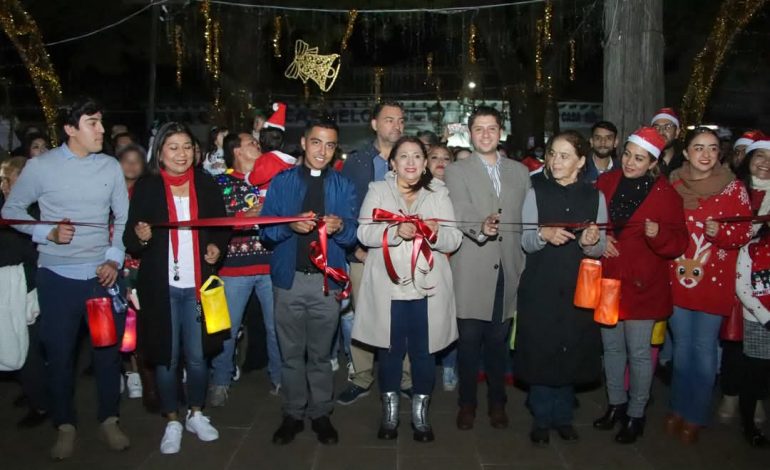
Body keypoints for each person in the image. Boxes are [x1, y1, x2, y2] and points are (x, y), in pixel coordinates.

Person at [2, 97, 130, 460]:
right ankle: (65, 425)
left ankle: (109, 418)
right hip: (56, 279)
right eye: (93, 123)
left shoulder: (109, 167)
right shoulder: (41, 168)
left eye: (102, 122)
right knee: (59, 356)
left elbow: (121, 219)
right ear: (70, 129)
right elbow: (12, 211)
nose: (102, 130)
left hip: (100, 279)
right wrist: (47, 233)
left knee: (106, 353)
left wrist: (113, 260)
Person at [123, 122, 230, 455]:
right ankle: (172, 419)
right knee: (166, 358)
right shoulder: (148, 187)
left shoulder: (206, 183)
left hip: (199, 291)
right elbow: (130, 238)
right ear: (160, 153)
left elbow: (221, 226)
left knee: (198, 357)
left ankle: (197, 413)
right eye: (173, 147)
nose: (181, 154)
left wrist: (216, 247)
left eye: (187, 147)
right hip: (162, 290)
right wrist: (139, 237)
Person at [354, 136, 462, 442]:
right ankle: (389, 413)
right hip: (388, 288)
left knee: (424, 354)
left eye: (417, 156)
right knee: (389, 353)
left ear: (426, 163)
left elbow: (454, 239)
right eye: (404, 156)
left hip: (428, 288)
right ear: (393, 162)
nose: (411, 162)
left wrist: (433, 234)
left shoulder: (439, 193)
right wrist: (393, 231)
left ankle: (420, 413)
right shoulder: (377, 190)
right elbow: (363, 231)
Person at [261, 119, 358, 446]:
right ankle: (292, 413)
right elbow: (266, 233)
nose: (323, 151)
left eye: (330, 145)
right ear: (303, 143)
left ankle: (320, 414)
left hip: (326, 283)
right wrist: (289, 227)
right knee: (290, 354)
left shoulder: (343, 186)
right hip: (289, 281)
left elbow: (353, 236)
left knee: (320, 355)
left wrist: (340, 228)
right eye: (317, 143)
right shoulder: (282, 183)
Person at [594, 127, 689, 444]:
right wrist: (601, 238)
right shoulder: (606, 183)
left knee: (638, 352)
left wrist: (657, 233)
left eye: (639, 158)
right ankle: (616, 405)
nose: (630, 162)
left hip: (642, 285)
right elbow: (590, 221)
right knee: (611, 349)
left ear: (652, 162)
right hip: (609, 280)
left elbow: (678, 242)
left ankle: (636, 413)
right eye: (627, 155)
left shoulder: (666, 195)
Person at [515, 130, 606, 446]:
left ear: (581, 161)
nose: (555, 160)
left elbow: (600, 247)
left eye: (564, 155)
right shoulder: (534, 190)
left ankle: (563, 416)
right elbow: (525, 240)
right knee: (542, 349)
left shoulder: (595, 196)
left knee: (573, 348)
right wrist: (543, 235)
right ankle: (541, 418)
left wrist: (591, 242)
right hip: (541, 283)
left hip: (578, 285)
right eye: (552, 153)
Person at [444, 105, 531, 431]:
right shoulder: (458, 170)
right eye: (478, 129)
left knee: (498, 341)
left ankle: (498, 403)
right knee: (468, 342)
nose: (485, 134)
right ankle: (467, 403)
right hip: (472, 269)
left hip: (508, 268)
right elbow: (460, 208)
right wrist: (481, 226)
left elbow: (527, 216)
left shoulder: (519, 171)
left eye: (491, 128)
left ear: (501, 131)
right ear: (469, 132)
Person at [666, 127, 753, 444]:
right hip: (676, 279)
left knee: (703, 352)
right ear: (686, 152)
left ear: (720, 153)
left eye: (712, 148)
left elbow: (743, 233)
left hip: (713, 283)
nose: (705, 154)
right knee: (681, 349)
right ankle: (677, 406)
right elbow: (663, 225)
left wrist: (721, 233)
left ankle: (696, 415)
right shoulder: (672, 184)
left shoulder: (734, 189)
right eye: (698, 148)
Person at [338, 101, 412, 405]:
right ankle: (361, 376)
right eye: (389, 120)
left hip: (403, 254)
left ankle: (405, 378)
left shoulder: (411, 158)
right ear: (374, 124)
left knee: (404, 318)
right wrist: (354, 250)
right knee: (364, 318)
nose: (396, 126)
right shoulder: (356, 163)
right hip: (364, 254)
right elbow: (345, 209)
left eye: (401, 121)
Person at [209, 131, 281, 404]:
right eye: (252, 143)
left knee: (277, 328)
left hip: (270, 266)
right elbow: (212, 223)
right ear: (236, 151)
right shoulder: (219, 183)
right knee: (226, 330)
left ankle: (280, 378)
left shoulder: (273, 182)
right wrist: (244, 218)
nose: (258, 146)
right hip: (232, 269)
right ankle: (220, 380)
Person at [0, 157, 47, 428]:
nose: (6, 185)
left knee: (29, 348)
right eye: (4, 180)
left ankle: (41, 403)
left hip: (27, 288)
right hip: (10, 287)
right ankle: (32, 392)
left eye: (12, 179)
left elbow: (31, 251)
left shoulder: (36, 213)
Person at [247, 103, 297, 196]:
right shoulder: (287, 161)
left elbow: (258, 176)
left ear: (261, 141)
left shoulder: (268, 159)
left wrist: (248, 178)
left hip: (269, 196)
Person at [650, 107, 683, 176]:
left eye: (667, 127)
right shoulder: (646, 162)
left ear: (677, 132)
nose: (661, 132)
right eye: (656, 127)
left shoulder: (685, 162)